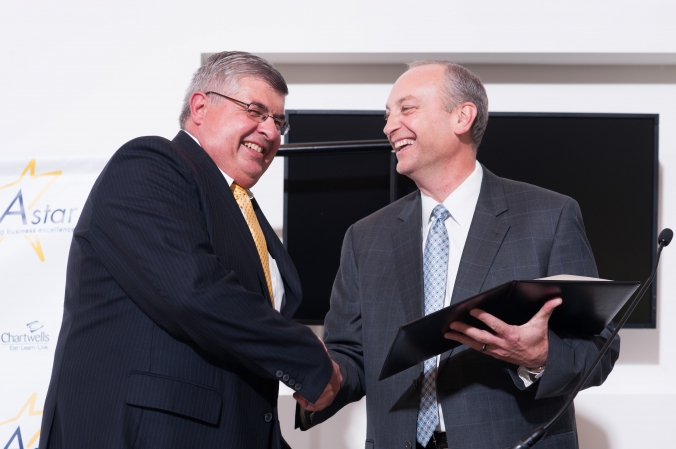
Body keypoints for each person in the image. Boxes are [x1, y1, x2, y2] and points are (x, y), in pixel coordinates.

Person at [295, 61, 619, 449]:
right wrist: (325, 378)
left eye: (406, 108)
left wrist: (539, 355)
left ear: (462, 116)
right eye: (387, 114)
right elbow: (351, 354)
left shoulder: (550, 216)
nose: (388, 126)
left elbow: (600, 346)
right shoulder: (364, 236)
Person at [39, 51, 341, 449]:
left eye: (279, 121)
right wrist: (309, 358)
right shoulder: (149, 164)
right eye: (256, 110)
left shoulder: (246, 210)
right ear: (200, 106)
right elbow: (194, 293)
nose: (271, 131)